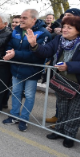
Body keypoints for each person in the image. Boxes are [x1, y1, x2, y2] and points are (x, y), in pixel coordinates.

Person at [26, 16, 80, 148]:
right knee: (61, 108)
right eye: (64, 26)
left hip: (77, 83)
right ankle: (59, 131)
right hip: (61, 80)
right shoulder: (58, 39)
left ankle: (69, 136)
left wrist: (69, 66)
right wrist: (34, 45)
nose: (65, 29)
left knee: (74, 111)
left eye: (69, 27)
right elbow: (46, 51)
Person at [2, 9, 51, 132]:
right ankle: (14, 116)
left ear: (34, 19)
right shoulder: (16, 30)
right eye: (21, 17)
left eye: (25, 18)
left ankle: (24, 119)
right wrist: (8, 52)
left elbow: (37, 55)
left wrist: (15, 54)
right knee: (16, 93)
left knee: (29, 96)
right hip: (16, 69)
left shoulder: (44, 33)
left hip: (32, 70)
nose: (21, 20)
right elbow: (9, 45)